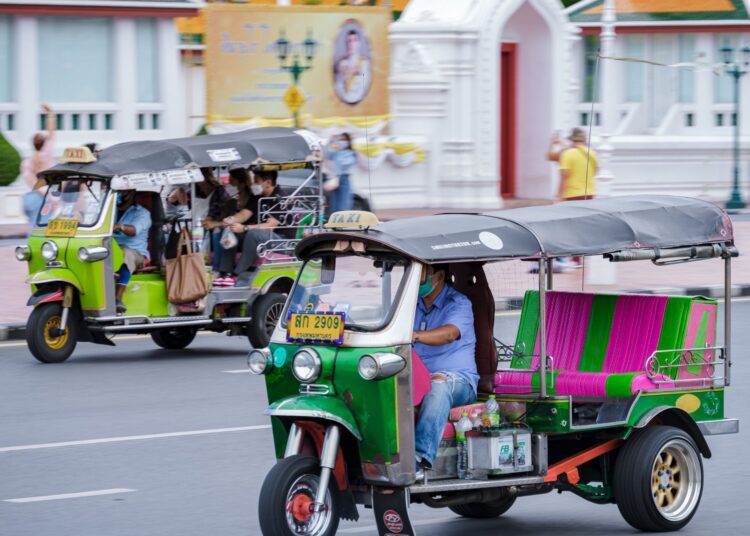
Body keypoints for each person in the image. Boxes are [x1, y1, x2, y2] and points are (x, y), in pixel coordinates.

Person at [412, 264, 478, 473]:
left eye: (421, 276)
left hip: (458, 380)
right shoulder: (410, 303)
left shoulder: (459, 303)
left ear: (439, 276)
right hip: (415, 376)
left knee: (437, 385)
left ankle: (419, 458)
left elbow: (449, 333)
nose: (416, 281)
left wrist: (414, 335)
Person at [214, 169, 292, 287]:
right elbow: (244, 214)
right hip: (262, 237)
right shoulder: (257, 197)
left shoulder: (280, 198)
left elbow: (270, 225)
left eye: (256, 181)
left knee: (253, 233)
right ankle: (226, 273)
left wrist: (245, 228)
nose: (253, 184)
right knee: (231, 230)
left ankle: (237, 274)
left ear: (268, 182)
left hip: (280, 241)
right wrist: (231, 220)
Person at [113, 190, 152, 314]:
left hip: (136, 252)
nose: (119, 194)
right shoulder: (109, 210)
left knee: (125, 253)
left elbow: (134, 230)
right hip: (112, 247)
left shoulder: (142, 213)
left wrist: (121, 227)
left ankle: (118, 299)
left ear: (131, 194)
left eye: (122, 191)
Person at [21, 104, 57, 229]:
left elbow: (31, 183)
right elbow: (51, 132)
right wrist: (50, 114)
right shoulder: (46, 154)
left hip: (29, 198)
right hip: (43, 198)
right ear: (43, 143)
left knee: (33, 229)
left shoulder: (27, 162)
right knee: (43, 230)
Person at [196, 168, 231, 274]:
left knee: (216, 231)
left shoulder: (219, 190)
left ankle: (216, 268)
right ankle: (197, 265)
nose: (200, 185)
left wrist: (209, 220)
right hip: (200, 222)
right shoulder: (196, 190)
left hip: (218, 222)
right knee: (194, 232)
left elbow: (219, 209)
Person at [334, 29, 371, 104]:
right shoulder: (341, 63)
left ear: (359, 43)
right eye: (349, 41)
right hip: (342, 102)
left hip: (359, 102)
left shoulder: (364, 63)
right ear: (346, 43)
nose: (351, 44)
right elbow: (339, 85)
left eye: (354, 40)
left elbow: (365, 86)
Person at [324, 133, 356, 214]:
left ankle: (343, 224)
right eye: (340, 139)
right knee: (333, 205)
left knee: (343, 204)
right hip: (334, 179)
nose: (342, 141)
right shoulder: (335, 153)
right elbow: (326, 153)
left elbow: (345, 164)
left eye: (344, 140)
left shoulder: (351, 153)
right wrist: (331, 141)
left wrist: (339, 151)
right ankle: (335, 223)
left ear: (348, 141)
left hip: (344, 179)